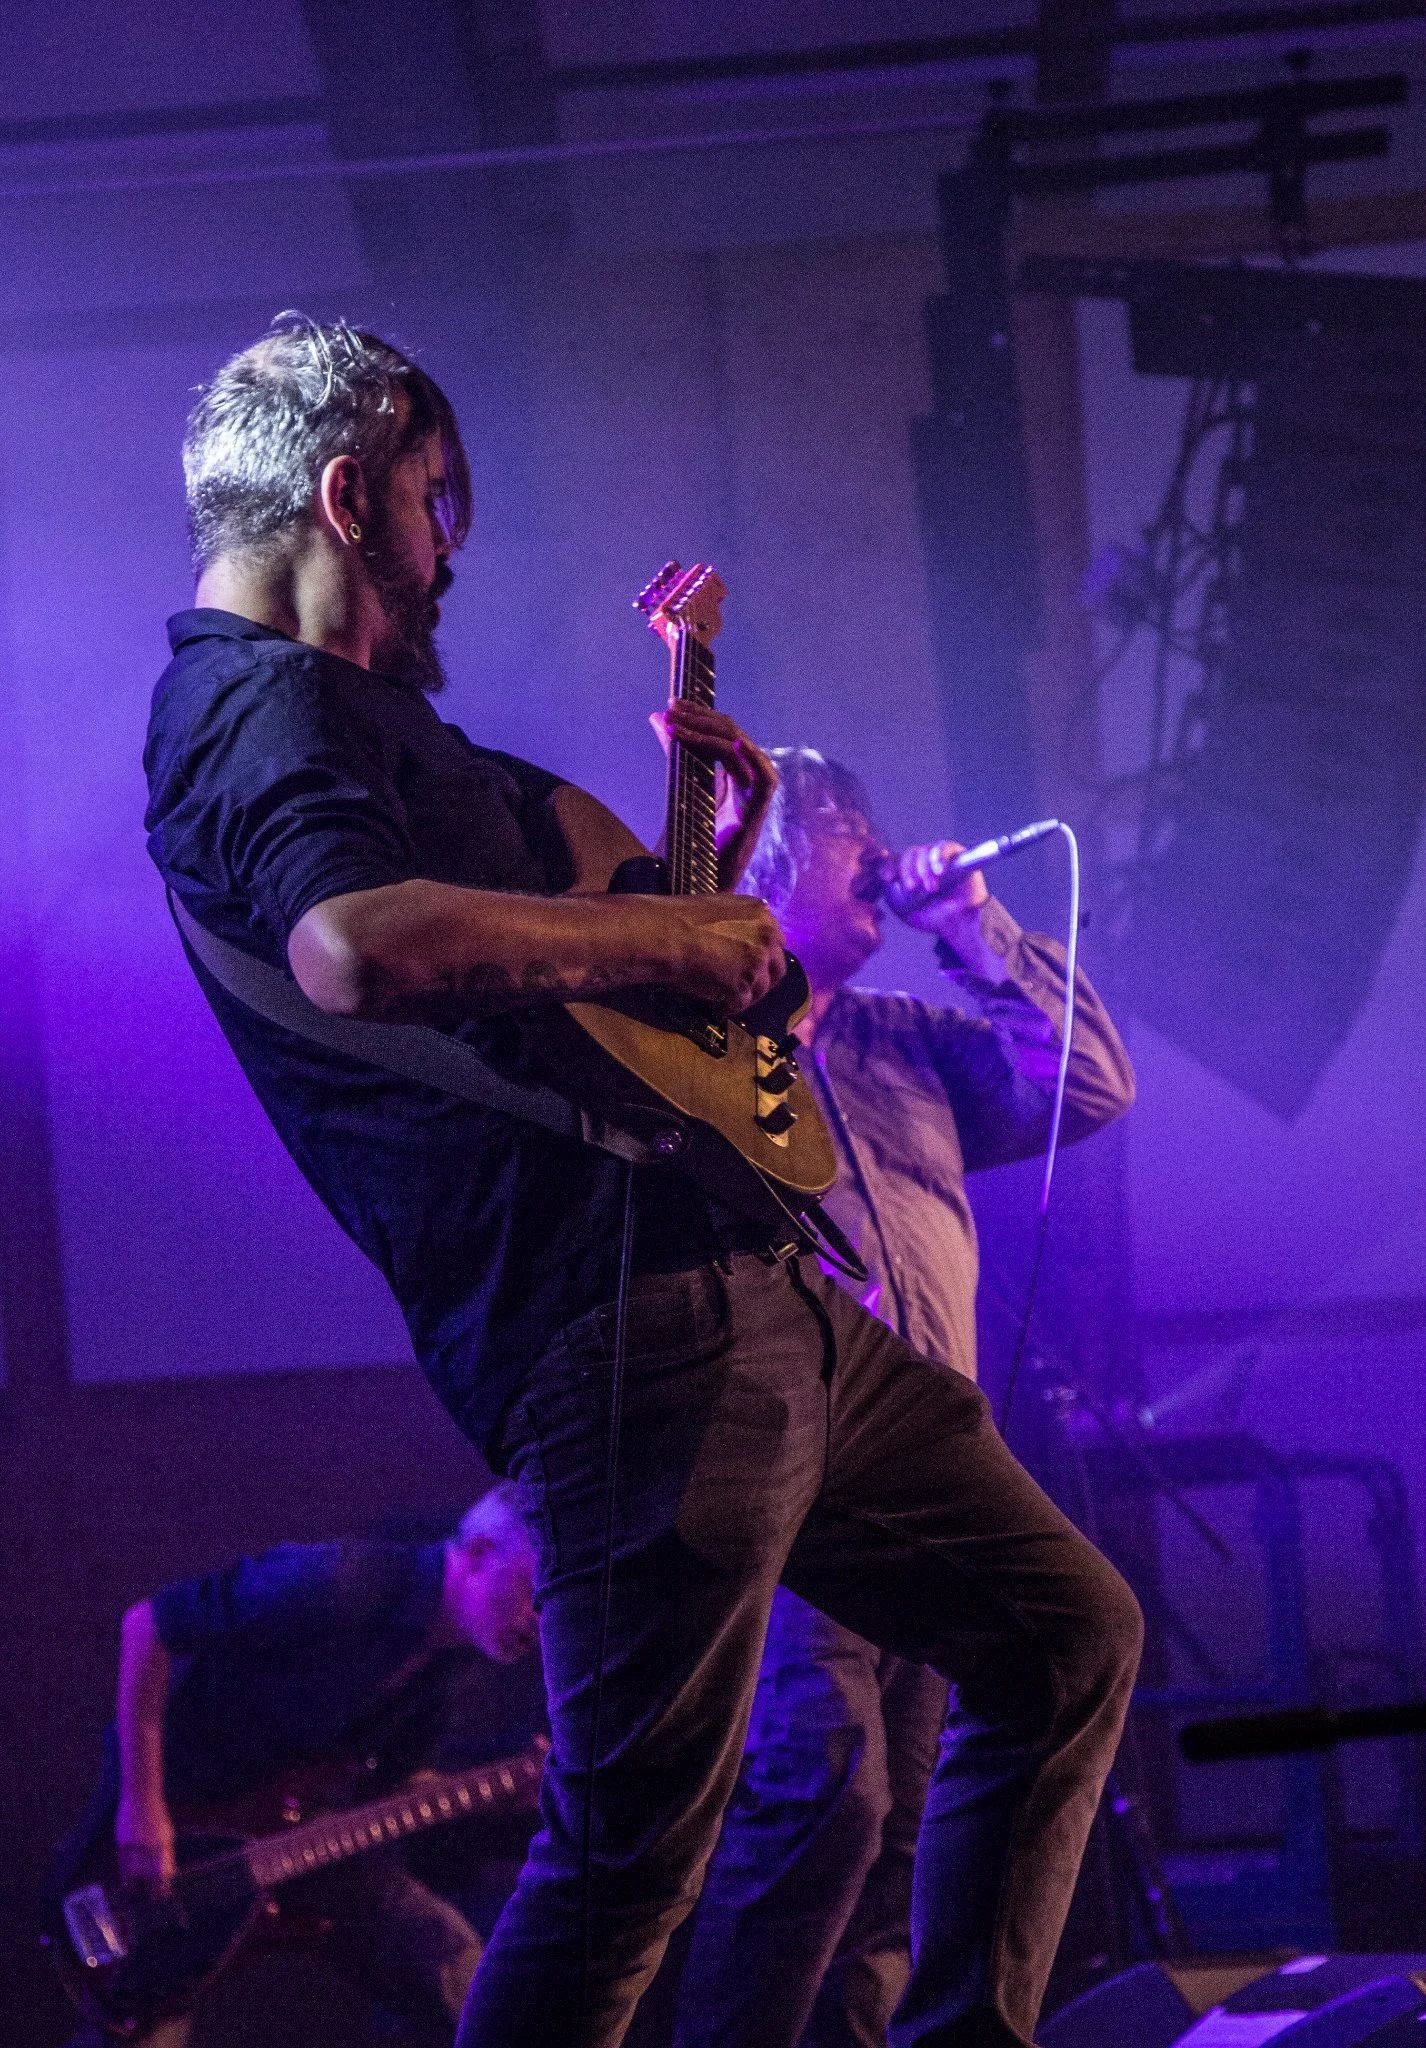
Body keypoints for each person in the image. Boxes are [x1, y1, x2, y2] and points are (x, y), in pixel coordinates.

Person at [143, 315, 1144, 2048]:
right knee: (632, 1860)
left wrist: (689, 885)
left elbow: (580, 1004)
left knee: (1063, 1634)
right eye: (437, 504)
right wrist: (672, 932)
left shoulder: (365, 722)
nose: (449, 551)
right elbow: (349, 946)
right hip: (626, 1334)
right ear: (349, 493)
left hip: (748, 1291)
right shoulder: (250, 704)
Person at [674, 748, 1135, 2048]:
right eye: (841, 827)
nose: (876, 847)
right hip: (803, 1489)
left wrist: (974, 929)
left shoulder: (907, 1043)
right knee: (826, 1790)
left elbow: (1089, 1084)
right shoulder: (707, 1048)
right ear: (765, 863)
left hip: (939, 1478)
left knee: (913, 1832)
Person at [55, 1486, 539, 2048]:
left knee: (456, 1967)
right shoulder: (341, 1581)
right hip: (182, 1824)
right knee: (140, 2018)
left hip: (297, 1837)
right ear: (479, 1551)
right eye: (535, 1593)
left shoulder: (454, 1662)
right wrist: (141, 1806)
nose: (541, 1622)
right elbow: (149, 1625)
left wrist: (489, 1793)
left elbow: (391, 1785)